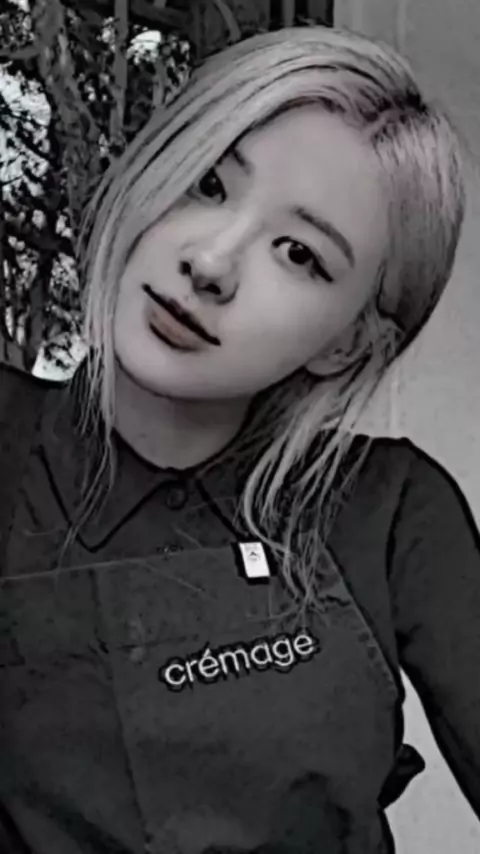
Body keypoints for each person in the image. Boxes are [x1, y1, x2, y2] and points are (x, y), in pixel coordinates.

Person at [0, 23, 478, 854]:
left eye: (298, 253)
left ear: (347, 343)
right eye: (209, 183)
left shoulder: (392, 513)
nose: (212, 262)